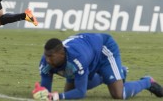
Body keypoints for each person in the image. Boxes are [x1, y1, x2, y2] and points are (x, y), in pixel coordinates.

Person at [33, 33, 163, 100]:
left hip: (104, 50)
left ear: (61, 53)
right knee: (69, 93)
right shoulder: (45, 62)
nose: (47, 60)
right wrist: (43, 94)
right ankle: (115, 73)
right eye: (46, 56)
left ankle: (147, 82)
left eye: (51, 56)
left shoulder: (77, 59)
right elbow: (46, 89)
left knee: (119, 94)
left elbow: (81, 92)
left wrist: (58, 97)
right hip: (88, 54)